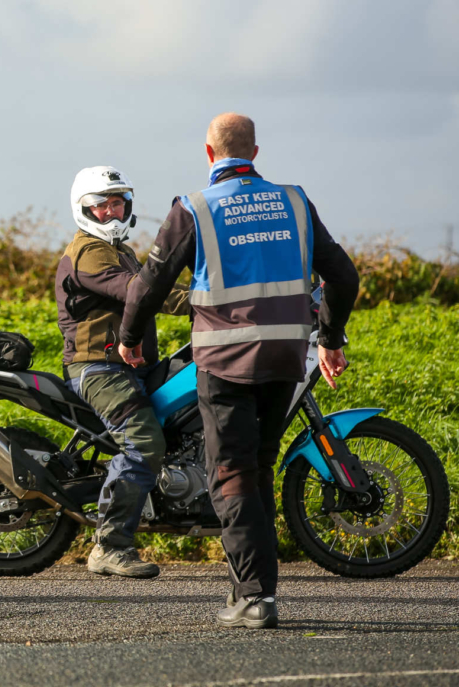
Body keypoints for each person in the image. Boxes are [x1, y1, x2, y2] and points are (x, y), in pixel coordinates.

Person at [118, 113, 359, 628]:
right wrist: (332, 339)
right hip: (284, 359)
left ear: (209, 153)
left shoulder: (196, 208)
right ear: (254, 153)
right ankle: (249, 590)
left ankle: (254, 598)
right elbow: (343, 275)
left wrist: (129, 339)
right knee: (257, 470)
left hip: (224, 362)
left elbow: (148, 283)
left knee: (230, 473)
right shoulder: (295, 202)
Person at [56, 166, 191, 579]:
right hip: (98, 368)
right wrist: (208, 302)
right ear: (85, 210)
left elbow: (153, 282)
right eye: (102, 205)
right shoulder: (89, 252)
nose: (112, 212)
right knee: (144, 444)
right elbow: (140, 291)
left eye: (118, 203)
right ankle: (109, 546)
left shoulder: (121, 251)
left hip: (132, 365)